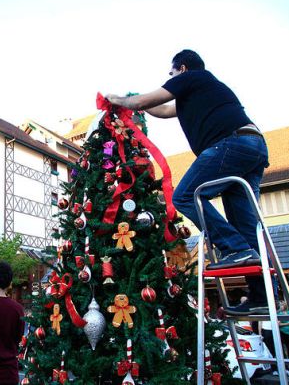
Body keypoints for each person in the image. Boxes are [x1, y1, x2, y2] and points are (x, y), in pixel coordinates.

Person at [106, 49, 269, 315]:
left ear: (181, 69)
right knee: (245, 224)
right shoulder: (199, 94)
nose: (169, 78)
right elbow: (161, 108)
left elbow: (150, 99)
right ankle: (262, 296)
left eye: (170, 74)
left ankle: (235, 248)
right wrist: (133, 102)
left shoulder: (192, 77)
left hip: (231, 144)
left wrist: (117, 99)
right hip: (253, 148)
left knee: (185, 196)